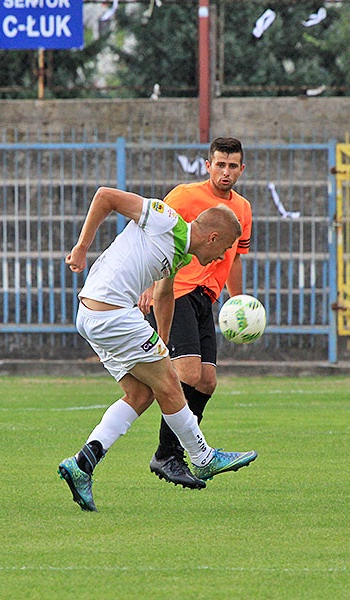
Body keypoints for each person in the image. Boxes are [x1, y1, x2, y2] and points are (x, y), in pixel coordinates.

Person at [59, 186, 258, 511]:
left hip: (93, 315)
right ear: (212, 238)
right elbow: (105, 196)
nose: (223, 257)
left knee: (141, 393)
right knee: (169, 384)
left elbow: (164, 295)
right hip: (111, 311)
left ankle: (83, 464)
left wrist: (162, 342)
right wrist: (81, 248)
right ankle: (203, 457)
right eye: (224, 248)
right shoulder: (166, 220)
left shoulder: (180, 252)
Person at [136, 136, 252, 489]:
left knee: (207, 381)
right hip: (177, 291)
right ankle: (168, 454)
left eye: (232, 166)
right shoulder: (185, 197)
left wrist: (239, 301)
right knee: (185, 373)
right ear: (208, 165)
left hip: (208, 298)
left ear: (242, 169)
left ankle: (187, 454)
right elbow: (151, 237)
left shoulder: (243, 209)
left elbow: (234, 257)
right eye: (220, 164)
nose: (226, 172)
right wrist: (148, 284)